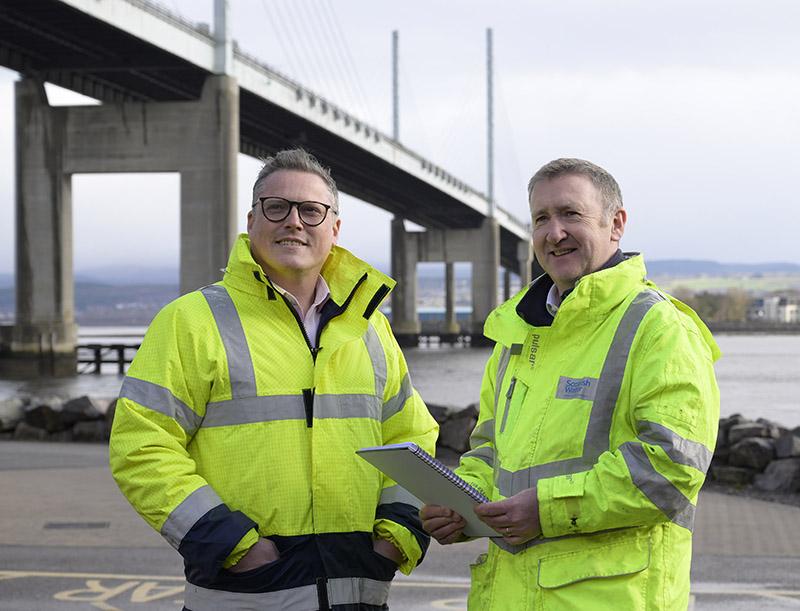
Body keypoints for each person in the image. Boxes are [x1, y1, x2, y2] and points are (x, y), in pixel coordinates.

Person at [109, 148, 439, 611]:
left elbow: (411, 439)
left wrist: (397, 538)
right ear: (251, 220)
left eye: (311, 210)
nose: (294, 222)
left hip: (359, 592)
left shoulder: (372, 329)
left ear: (335, 228)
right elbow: (141, 446)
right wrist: (236, 548)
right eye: (276, 207)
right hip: (244, 596)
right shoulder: (191, 321)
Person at [420, 158, 720, 610]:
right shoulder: (517, 334)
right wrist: (460, 507)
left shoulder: (659, 327)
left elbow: (670, 470)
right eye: (541, 218)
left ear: (615, 224)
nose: (553, 232)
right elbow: (489, 450)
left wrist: (545, 511)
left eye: (570, 214)